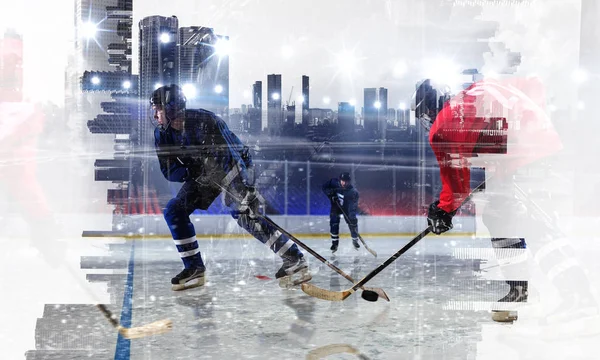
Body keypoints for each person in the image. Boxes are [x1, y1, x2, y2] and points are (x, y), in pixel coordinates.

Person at [416, 77, 598, 324]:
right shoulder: (480, 88)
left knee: (534, 223)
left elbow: (456, 182)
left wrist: (443, 211)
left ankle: (579, 297)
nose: (428, 118)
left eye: (426, 111)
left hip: (523, 156)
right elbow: (534, 86)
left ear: (430, 107)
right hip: (539, 146)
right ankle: (521, 291)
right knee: (500, 215)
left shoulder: (444, 122)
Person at [151, 84, 311, 291]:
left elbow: (235, 156)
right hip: (202, 176)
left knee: (245, 214)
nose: (155, 115)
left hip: (231, 167)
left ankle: (295, 259)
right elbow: (169, 170)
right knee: (174, 210)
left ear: (172, 109)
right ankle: (194, 268)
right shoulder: (161, 135)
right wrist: (194, 171)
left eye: (158, 109)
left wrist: (246, 189)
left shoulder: (206, 121)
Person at [322, 172, 360, 253]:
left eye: (346, 181)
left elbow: (352, 206)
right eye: (343, 180)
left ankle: (355, 240)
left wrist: (352, 216)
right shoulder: (333, 183)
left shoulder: (353, 192)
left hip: (347, 208)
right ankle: (335, 244)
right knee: (334, 222)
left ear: (349, 181)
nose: (344, 183)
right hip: (336, 206)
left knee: (352, 221)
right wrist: (331, 194)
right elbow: (324, 187)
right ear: (340, 180)